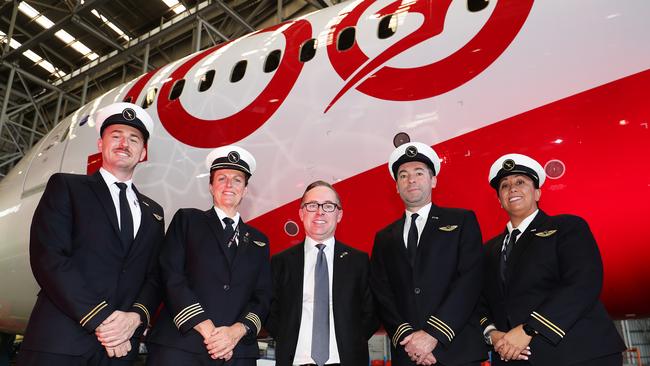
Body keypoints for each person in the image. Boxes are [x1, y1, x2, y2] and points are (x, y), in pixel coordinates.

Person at [17, 102, 165, 366]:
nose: (124, 143)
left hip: (119, 351)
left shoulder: (154, 212)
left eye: (134, 139)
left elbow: (154, 276)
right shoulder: (67, 187)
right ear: (101, 144)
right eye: (116, 135)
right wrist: (103, 321)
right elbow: (49, 258)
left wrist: (135, 318)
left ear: (143, 153)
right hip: (61, 343)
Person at [478, 153, 626, 365]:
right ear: (499, 200)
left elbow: (583, 283)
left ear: (537, 193)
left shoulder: (567, 227)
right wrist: (492, 334)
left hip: (578, 354)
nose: (512, 189)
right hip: (514, 358)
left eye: (520, 182)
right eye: (504, 185)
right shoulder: (488, 250)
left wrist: (531, 328)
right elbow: (480, 302)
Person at [146, 145, 271, 366]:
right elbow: (171, 276)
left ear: (245, 190)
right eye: (222, 178)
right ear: (211, 186)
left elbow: (262, 298)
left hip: (236, 352)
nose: (229, 185)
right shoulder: (188, 221)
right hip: (182, 347)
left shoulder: (259, 241)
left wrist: (235, 333)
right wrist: (208, 330)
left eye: (237, 180)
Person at [370, 142, 486, 366]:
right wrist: (408, 339)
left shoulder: (461, 221)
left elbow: (470, 281)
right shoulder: (384, 237)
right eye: (403, 175)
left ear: (433, 180)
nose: (411, 180)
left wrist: (434, 334)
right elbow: (381, 292)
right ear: (396, 186)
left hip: (455, 350)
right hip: (408, 353)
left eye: (419, 173)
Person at [267, 180, 378, 366]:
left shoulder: (358, 261)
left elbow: (371, 313)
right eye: (312, 206)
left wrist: (352, 341)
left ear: (339, 214)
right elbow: (270, 312)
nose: (320, 212)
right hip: (294, 361)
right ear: (301, 213)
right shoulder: (281, 262)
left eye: (328, 206)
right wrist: (287, 337)